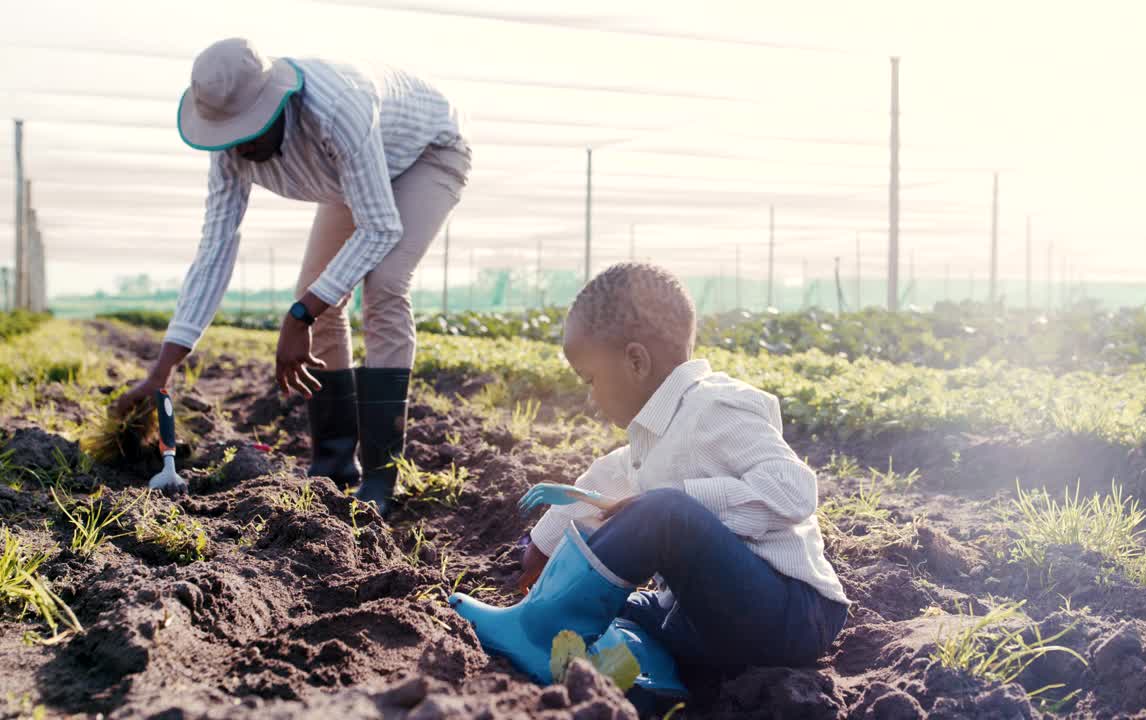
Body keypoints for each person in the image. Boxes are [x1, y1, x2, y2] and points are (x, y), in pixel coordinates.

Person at [111, 38, 469, 514]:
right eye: (228, 136)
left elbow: (382, 227)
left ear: (276, 102)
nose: (238, 146)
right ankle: (334, 465)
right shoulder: (231, 151)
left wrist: (298, 316)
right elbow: (216, 247)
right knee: (318, 297)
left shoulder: (338, 107)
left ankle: (382, 479)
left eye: (247, 131)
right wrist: (164, 366)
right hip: (351, 175)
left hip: (426, 155)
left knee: (382, 286)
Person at [449, 263, 849, 682]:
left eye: (590, 380)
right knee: (610, 604)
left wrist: (675, 502)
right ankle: (639, 681)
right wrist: (540, 547)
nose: (590, 399)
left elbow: (793, 489)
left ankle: (536, 632)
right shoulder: (653, 436)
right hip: (713, 622)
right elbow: (604, 478)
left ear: (636, 362)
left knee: (665, 512)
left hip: (791, 616)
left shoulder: (714, 408)